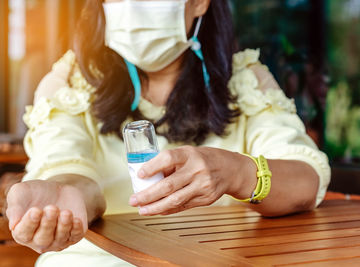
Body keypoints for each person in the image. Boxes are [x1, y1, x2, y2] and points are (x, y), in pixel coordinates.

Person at [6, 0, 330, 266]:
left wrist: (237, 172)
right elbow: (69, 167)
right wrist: (66, 194)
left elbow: (304, 181)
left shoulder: (247, 80)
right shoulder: (69, 82)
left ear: (200, 3)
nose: (132, 7)